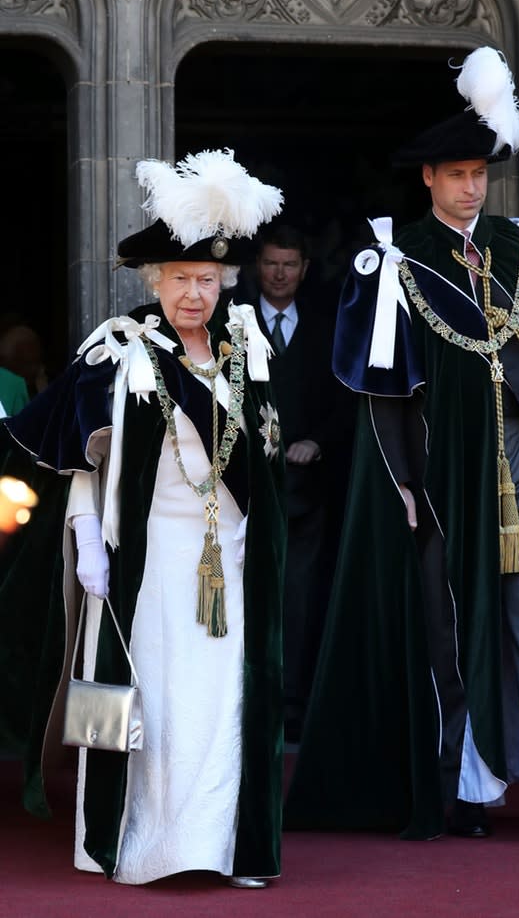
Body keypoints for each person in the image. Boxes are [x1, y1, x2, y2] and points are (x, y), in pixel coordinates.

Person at [285, 47, 519, 840]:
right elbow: (381, 385)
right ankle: (462, 785)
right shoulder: (397, 258)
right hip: (442, 468)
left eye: (480, 172)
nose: (473, 186)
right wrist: (401, 480)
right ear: (430, 180)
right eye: (458, 174)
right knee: (454, 624)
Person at [0, 149, 287, 887]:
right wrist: (89, 540)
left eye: (207, 281)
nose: (194, 294)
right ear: (156, 282)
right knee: (155, 698)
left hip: (231, 553)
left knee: (221, 699)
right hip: (148, 556)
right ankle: (146, 844)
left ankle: (217, 844)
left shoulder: (243, 348)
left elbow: (265, 457)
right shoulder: (121, 348)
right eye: (181, 280)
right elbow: (79, 457)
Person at [249, 224, 343, 740]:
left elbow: (348, 399)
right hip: (246, 490)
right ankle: (254, 704)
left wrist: (317, 442)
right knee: (249, 597)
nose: (280, 274)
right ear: (255, 267)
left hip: (309, 491)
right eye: (271, 263)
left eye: (289, 264)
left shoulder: (328, 329)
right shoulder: (232, 328)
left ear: (305, 269)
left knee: (303, 599)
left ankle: (296, 706)